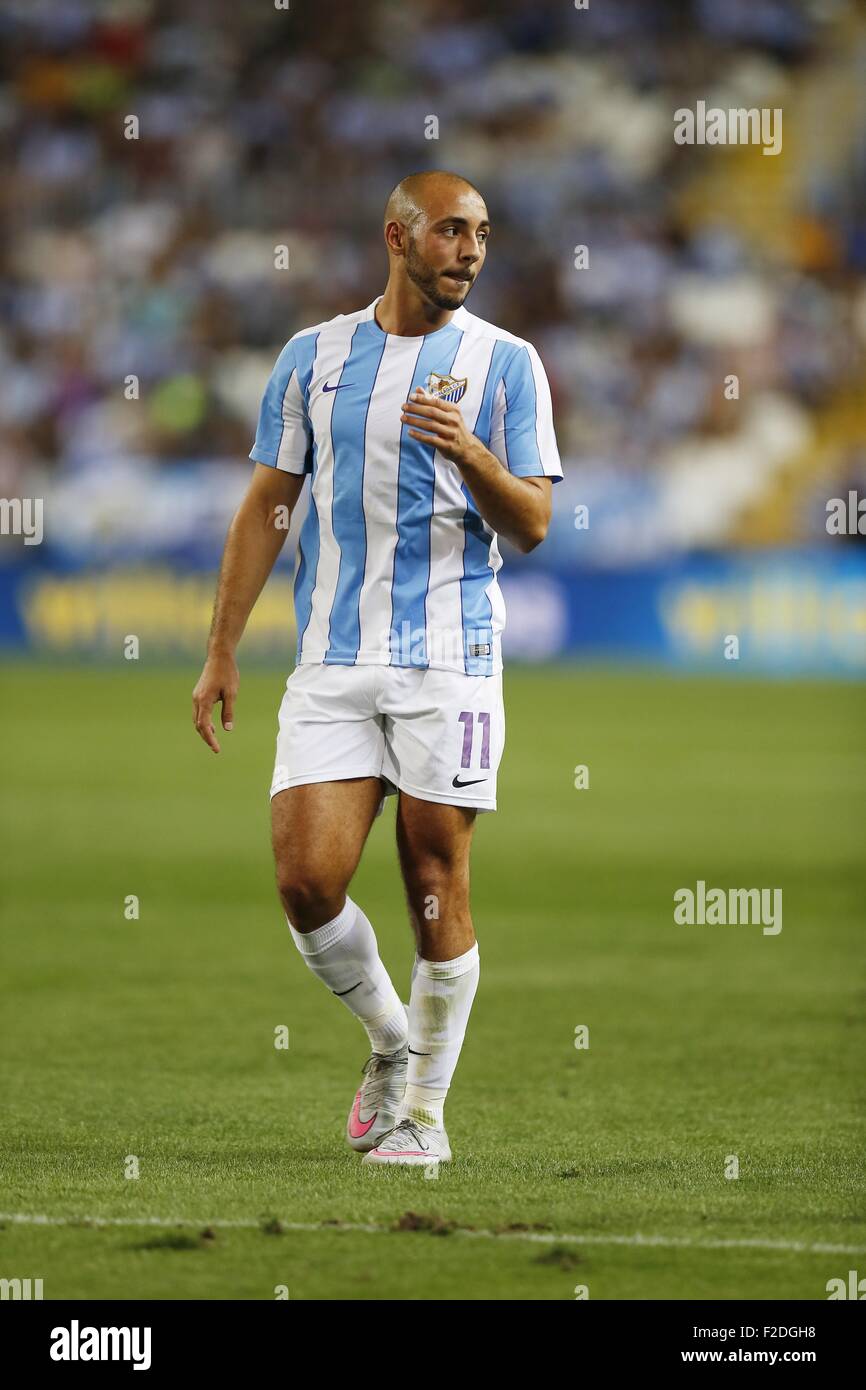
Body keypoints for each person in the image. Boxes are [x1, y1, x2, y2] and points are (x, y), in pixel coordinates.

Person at [192, 170, 562, 1165]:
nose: (471, 251)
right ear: (396, 237)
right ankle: (391, 1043)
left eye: (481, 233)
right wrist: (223, 643)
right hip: (330, 660)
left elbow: (530, 523)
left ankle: (425, 1120)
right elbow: (269, 505)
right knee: (306, 882)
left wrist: (473, 455)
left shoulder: (506, 364)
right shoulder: (313, 359)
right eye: (450, 231)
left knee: (434, 874)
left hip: (451, 659)